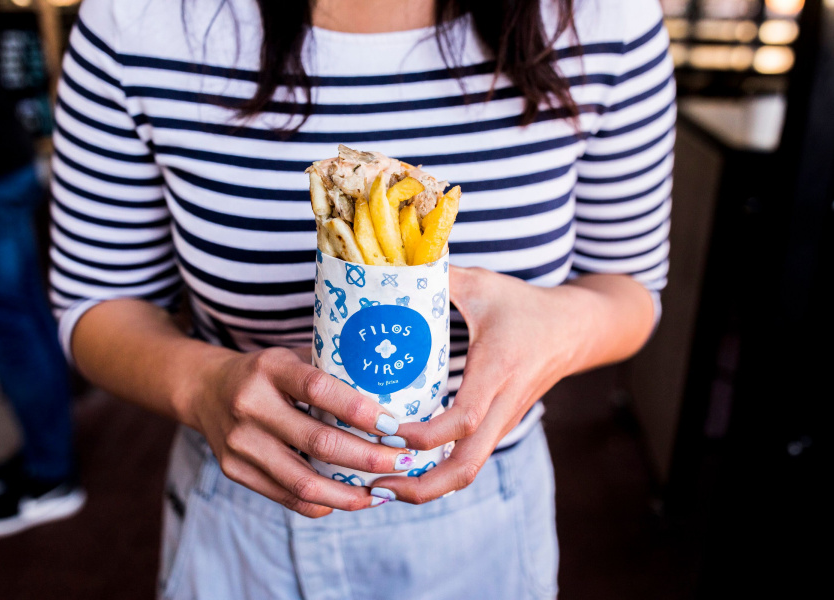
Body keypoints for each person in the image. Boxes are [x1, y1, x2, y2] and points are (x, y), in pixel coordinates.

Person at [50, 0, 674, 597]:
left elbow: (629, 286)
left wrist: (560, 325)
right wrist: (200, 384)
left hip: (487, 508)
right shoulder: (134, 20)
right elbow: (95, 300)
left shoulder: (604, 17)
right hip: (242, 501)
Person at [0, 1, 85, 538]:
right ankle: (46, 459)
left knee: (15, 329)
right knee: (22, 321)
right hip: (3, 161)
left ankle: (51, 474)